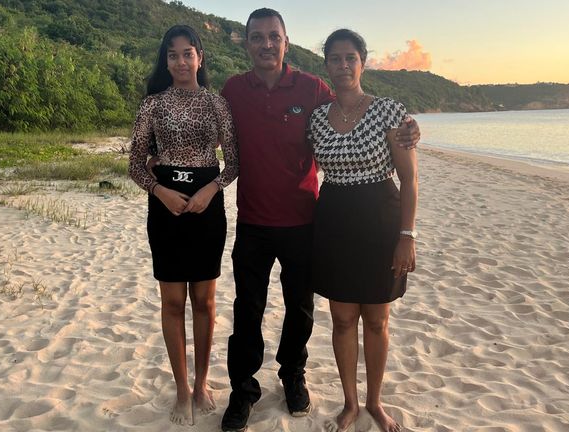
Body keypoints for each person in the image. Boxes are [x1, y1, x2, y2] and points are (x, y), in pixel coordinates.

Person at [219, 9, 420, 432]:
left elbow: (359, 115)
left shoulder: (313, 90)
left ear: (286, 42)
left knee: (301, 309)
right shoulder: (233, 89)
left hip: (305, 220)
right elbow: (210, 126)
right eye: (257, 37)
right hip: (253, 220)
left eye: (274, 36)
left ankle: (293, 376)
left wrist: (409, 128)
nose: (266, 44)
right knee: (248, 309)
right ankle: (243, 389)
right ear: (247, 43)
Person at [308, 29, 418, 432]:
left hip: (380, 222)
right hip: (334, 220)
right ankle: (350, 403)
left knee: (376, 319)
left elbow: (409, 179)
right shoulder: (317, 117)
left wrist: (407, 236)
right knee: (341, 319)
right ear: (326, 67)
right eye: (334, 59)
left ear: (363, 62)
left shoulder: (390, 112)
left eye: (350, 58)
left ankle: (374, 401)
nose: (342, 66)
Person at [128, 24, 238, 426]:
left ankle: (203, 382)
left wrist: (211, 189)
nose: (180, 61)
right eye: (172, 55)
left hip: (208, 207)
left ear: (200, 57)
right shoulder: (152, 105)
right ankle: (180, 388)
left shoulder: (216, 103)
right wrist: (161, 192)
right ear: (166, 60)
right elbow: (135, 165)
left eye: (187, 53)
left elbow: (234, 163)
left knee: (205, 302)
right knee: (173, 303)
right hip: (166, 210)